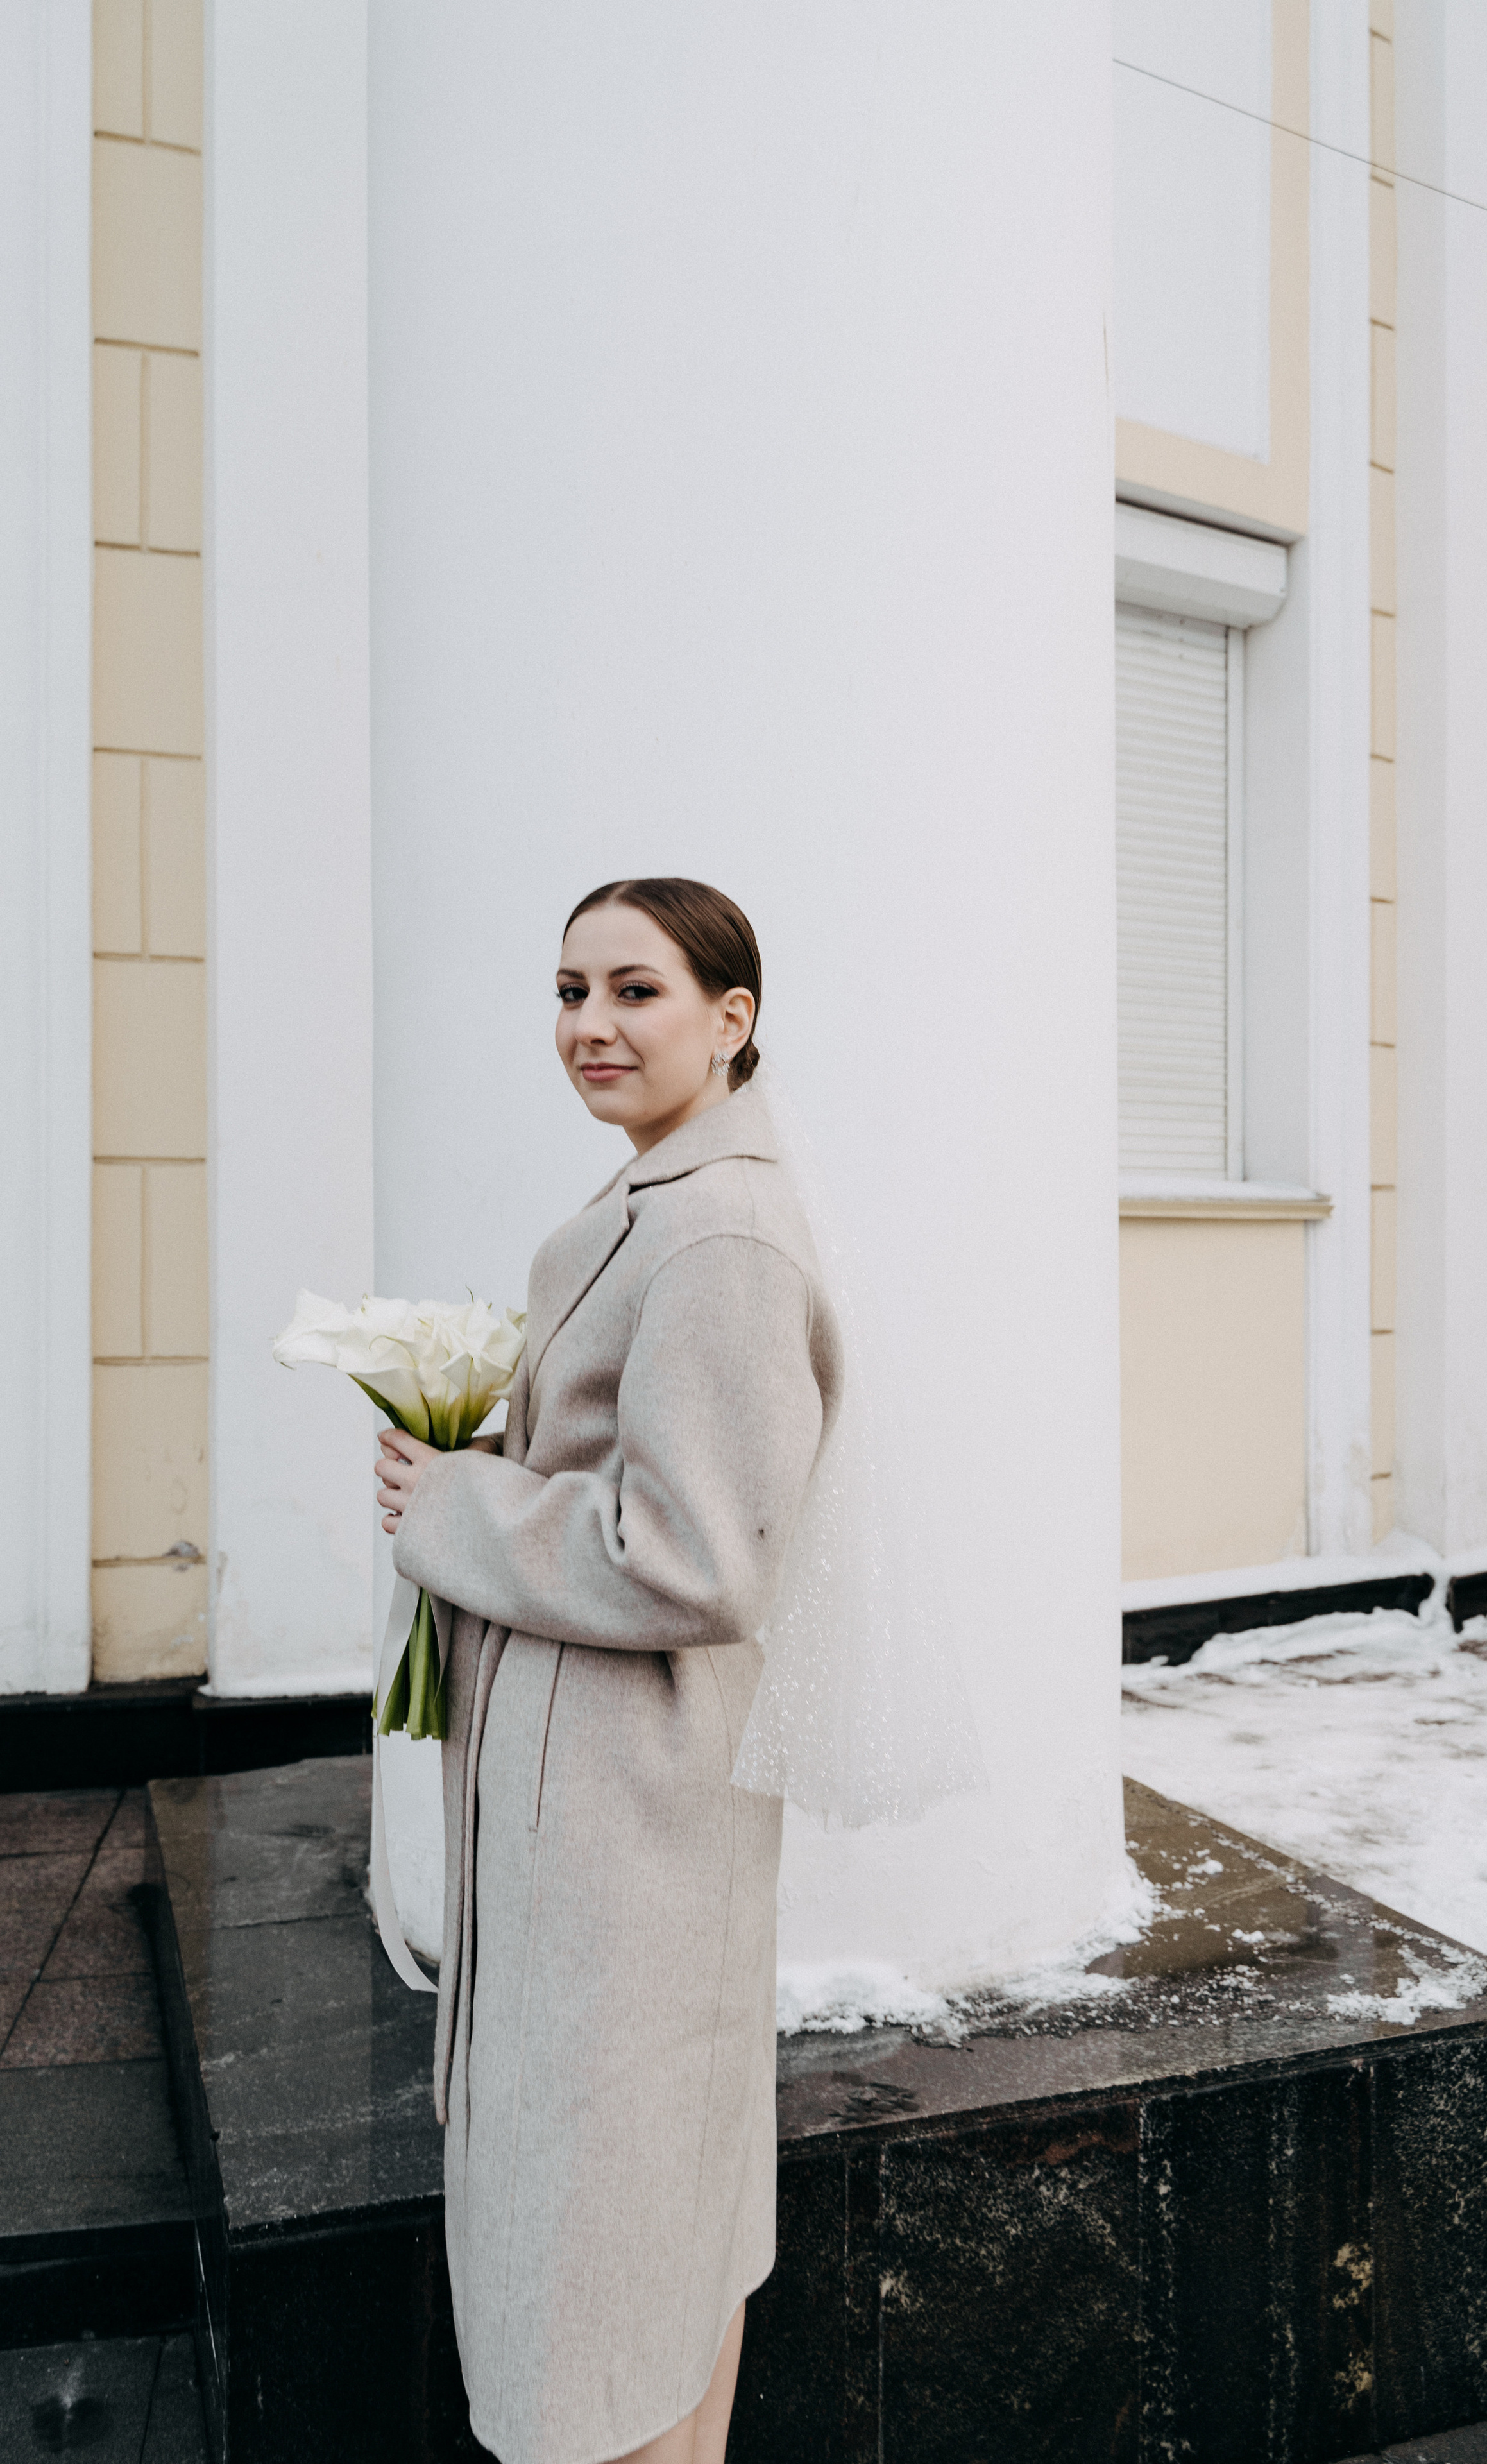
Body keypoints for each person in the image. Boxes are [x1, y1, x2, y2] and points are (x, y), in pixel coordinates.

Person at [374, 878, 841, 2464]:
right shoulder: (667, 1199)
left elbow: (701, 1554)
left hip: (626, 1819)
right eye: (568, 990)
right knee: (643, 2247)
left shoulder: (720, 1230)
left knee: (605, 2251)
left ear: (733, 1018)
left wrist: (459, 1502)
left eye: (635, 992)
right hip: (608, 1808)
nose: (587, 1025)